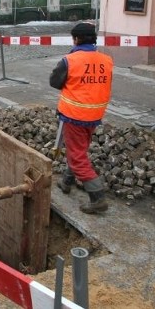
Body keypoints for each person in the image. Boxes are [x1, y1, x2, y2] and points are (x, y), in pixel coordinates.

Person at [49, 22, 114, 214]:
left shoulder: (70, 60)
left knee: (76, 156)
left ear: (76, 39)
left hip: (74, 115)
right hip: (94, 115)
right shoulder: (106, 60)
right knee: (79, 150)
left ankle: (97, 197)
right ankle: (67, 181)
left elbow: (54, 82)